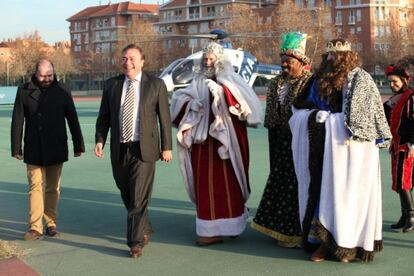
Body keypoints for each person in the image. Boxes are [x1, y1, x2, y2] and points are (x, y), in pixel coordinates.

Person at [289, 39, 391, 262]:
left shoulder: (361, 80)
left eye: (337, 55)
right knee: (322, 192)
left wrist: (332, 121)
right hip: (322, 147)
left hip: (351, 150)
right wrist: (315, 117)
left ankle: (348, 245)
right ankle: (323, 244)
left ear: (348, 57)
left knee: (348, 195)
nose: (332, 59)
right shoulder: (316, 81)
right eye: (329, 56)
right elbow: (299, 108)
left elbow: (365, 120)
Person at [170, 42, 262, 246]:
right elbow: (179, 98)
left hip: (226, 145)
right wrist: (190, 105)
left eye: (211, 59)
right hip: (203, 144)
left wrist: (222, 92)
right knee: (206, 186)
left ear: (220, 61)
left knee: (229, 183)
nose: (208, 62)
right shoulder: (198, 81)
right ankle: (210, 229)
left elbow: (245, 107)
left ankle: (232, 225)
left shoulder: (232, 80)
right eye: (205, 59)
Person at [94, 44, 172, 258]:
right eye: (124, 59)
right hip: (120, 148)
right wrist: (100, 140)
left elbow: (164, 119)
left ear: (142, 61)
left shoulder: (155, 85)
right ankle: (144, 226)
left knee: (138, 197)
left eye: (132, 59)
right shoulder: (112, 85)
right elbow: (104, 117)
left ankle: (135, 242)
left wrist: (167, 147)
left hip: (144, 149)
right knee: (126, 192)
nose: (127, 62)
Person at [11, 59, 85, 240]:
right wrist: (16, 147)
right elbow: (18, 120)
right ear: (36, 74)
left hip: (56, 145)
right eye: (43, 76)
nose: (47, 79)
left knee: (53, 188)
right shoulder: (24, 90)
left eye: (50, 75)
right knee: (35, 186)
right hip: (34, 146)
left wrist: (78, 144)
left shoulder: (63, 90)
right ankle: (35, 227)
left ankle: (51, 223)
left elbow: (72, 119)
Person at [251, 32, 312, 248]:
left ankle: (293, 231)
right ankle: (275, 226)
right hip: (277, 137)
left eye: (289, 61)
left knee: (295, 183)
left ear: (302, 62)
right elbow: (271, 112)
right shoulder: (276, 81)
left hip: (298, 140)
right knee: (278, 179)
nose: (284, 64)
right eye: (283, 61)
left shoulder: (309, 82)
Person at [383, 64, 414, 232]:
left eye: (394, 81)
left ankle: (411, 215)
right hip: (396, 145)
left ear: (403, 80)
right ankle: (404, 215)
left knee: (403, 181)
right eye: (389, 82)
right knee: (398, 181)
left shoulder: (411, 96)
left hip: (407, 145)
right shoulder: (396, 99)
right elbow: (385, 117)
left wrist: (412, 142)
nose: (391, 85)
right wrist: (389, 104)